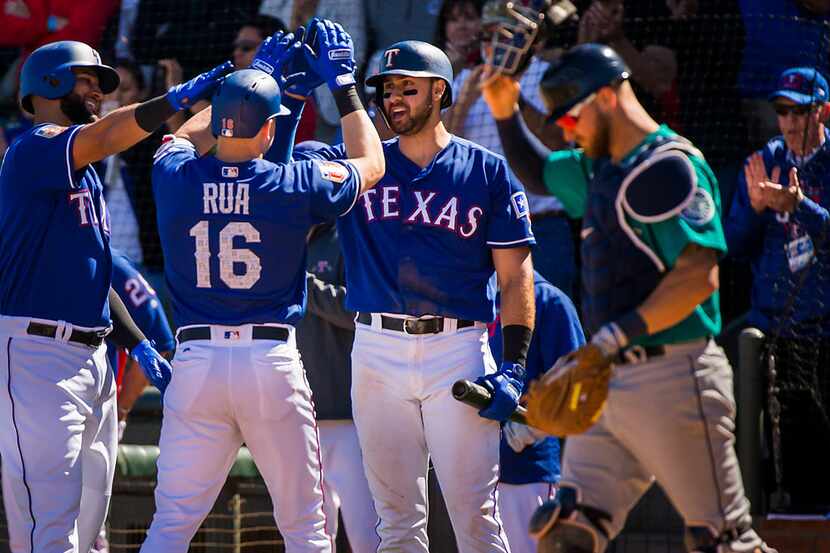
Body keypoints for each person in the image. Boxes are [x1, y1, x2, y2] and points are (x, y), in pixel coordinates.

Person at [480, 43, 774, 553]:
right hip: (609, 381)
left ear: (608, 98)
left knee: (723, 541)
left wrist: (611, 339)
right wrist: (504, 112)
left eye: (572, 117)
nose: (567, 130)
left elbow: (698, 278)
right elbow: (537, 171)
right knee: (567, 530)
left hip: (673, 377)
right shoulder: (602, 170)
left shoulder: (667, 165)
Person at [140, 21, 384, 553]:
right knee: (306, 530)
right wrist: (343, 85)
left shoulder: (174, 175)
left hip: (195, 362)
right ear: (270, 131)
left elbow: (183, 136)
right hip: (268, 363)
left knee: (171, 526)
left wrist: (256, 77)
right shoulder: (290, 184)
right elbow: (372, 163)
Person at [290, 40, 536, 553]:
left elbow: (516, 279)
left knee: (477, 521)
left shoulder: (486, 171)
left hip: (459, 352)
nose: (394, 98)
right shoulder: (360, 164)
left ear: (439, 91)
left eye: (408, 87)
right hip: (376, 350)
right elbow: (279, 169)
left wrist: (513, 367)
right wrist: (297, 92)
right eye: (385, 89)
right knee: (396, 524)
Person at [0, 39, 227, 553]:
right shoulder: (34, 149)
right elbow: (106, 135)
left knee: (88, 530)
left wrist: (136, 340)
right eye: (87, 80)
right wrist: (172, 100)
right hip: (36, 358)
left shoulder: (85, 176)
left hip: (93, 355)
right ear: (51, 83)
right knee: (50, 534)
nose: (98, 91)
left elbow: (97, 275)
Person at [726, 66, 830, 513]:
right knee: (788, 456)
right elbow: (732, 245)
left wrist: (798, 207)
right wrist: (753, 209)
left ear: (823, 111)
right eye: (781, 111)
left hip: (826, 330)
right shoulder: (763, 162)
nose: (788, 121)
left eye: (799, 111)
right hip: (777, 332)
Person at [448, 0, 577, 299]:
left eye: (502, 34)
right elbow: (444, 147)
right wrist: (465, 100)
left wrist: (509, 96)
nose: (493, 44)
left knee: (551, 325)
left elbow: (560, 141)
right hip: (480, 231)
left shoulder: (550, 75)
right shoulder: (467, 79)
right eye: (487, 34)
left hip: (542, 227)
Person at [296, 216, 380, 552]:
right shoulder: (279, 236)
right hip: (297, 417)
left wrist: (302, 285)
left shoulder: (349, 236)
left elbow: (362, 310)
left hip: (350, 418)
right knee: (310, 535)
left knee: (368, 536)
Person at [488, 270, 584, 553]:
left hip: (526, 472)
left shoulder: (549, 300)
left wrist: (532, 426)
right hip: (471, 470)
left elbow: (578, 383)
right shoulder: (468, 297)